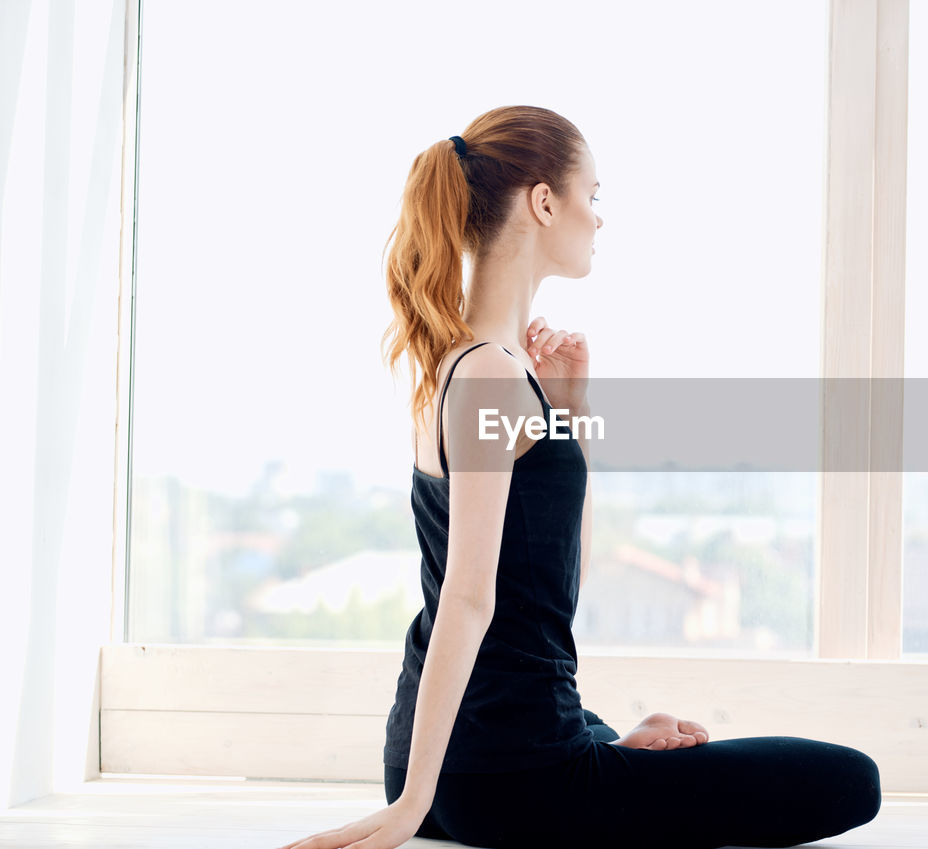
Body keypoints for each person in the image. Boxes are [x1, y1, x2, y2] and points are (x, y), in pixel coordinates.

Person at [275, 105, 881, 849]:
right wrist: (407, 812)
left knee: (623, 736)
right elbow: (467, 597)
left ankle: (594, 750)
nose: (598, 220)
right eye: (592, 197)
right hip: (509, 777)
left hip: (456, 759)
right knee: (852, 778)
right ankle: (567, 760)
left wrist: (570, 412)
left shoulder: (459, 368)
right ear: (542, 200)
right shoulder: (492, 375)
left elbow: (554, 579)